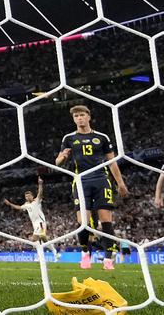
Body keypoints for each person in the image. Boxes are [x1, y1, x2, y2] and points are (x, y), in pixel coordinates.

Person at [55, 105, 129, 270]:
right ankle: (85, 254)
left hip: (101, 180)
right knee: (83, 222)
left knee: (106, 220)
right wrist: (63, 157)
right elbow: (57, 162)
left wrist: (120, 183)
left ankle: (108, 259)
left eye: (82, 115)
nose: (79, 118)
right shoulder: (68, 138)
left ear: (89, 116)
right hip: (80, 181)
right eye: (76, 116)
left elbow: (112, 162)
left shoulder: (102, 137)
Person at [3, 176, 59, 261]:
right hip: (35, 224)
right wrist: (10, 204)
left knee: (34, 239)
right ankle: (54, 253)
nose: (28, 197)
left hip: (41, 223)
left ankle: (40, 257)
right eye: (26, 196)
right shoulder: (26, 205)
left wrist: (40, 184)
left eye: (29, 196)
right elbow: (18, 207)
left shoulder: (37, 200)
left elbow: (40, 193)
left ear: (32, 196)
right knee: (43, 239)